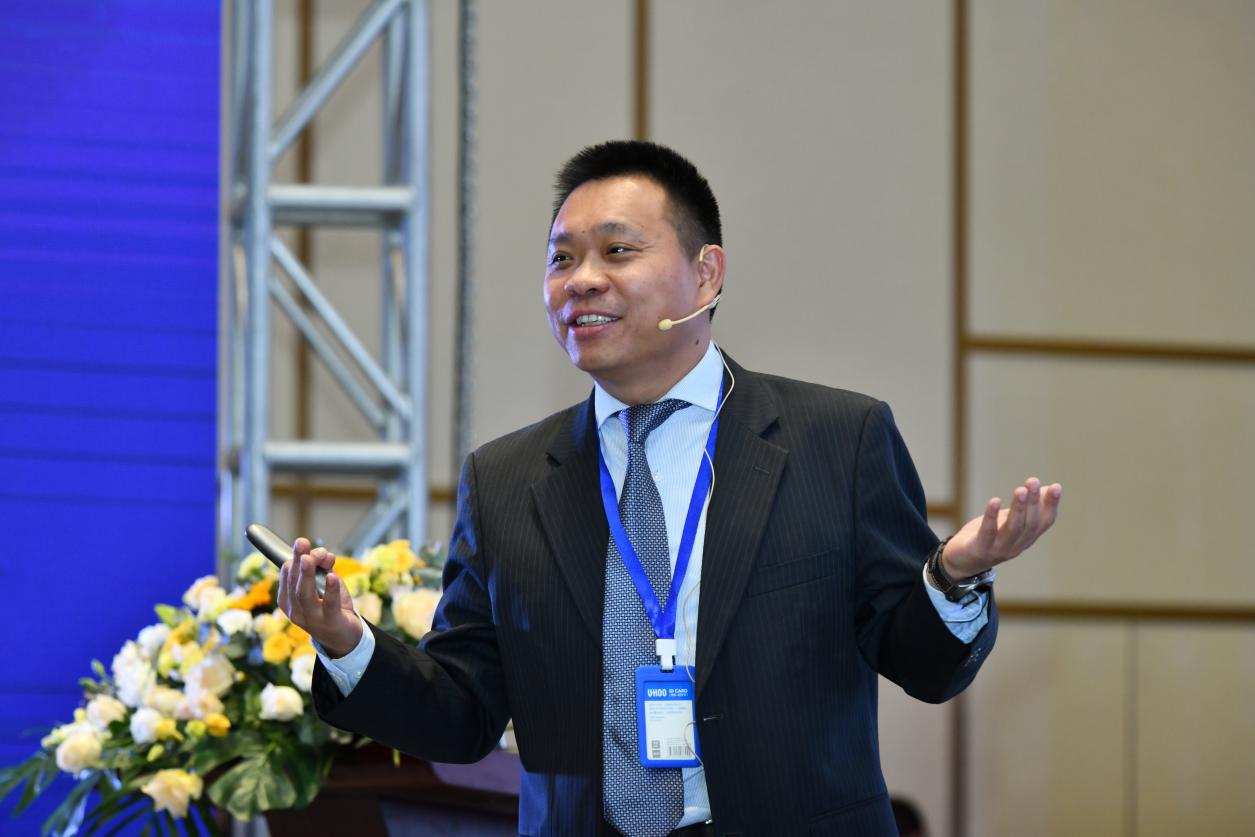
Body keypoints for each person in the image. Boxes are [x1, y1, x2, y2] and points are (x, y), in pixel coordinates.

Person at [278, 141, 1062, 836]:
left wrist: (951, 574)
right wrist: (343, 640)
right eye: (560, 259)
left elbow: (922, 665)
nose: (582, 280)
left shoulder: (835, 439)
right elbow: (463, 713)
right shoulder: (506, 479)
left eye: (616, 251)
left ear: (705, 274)